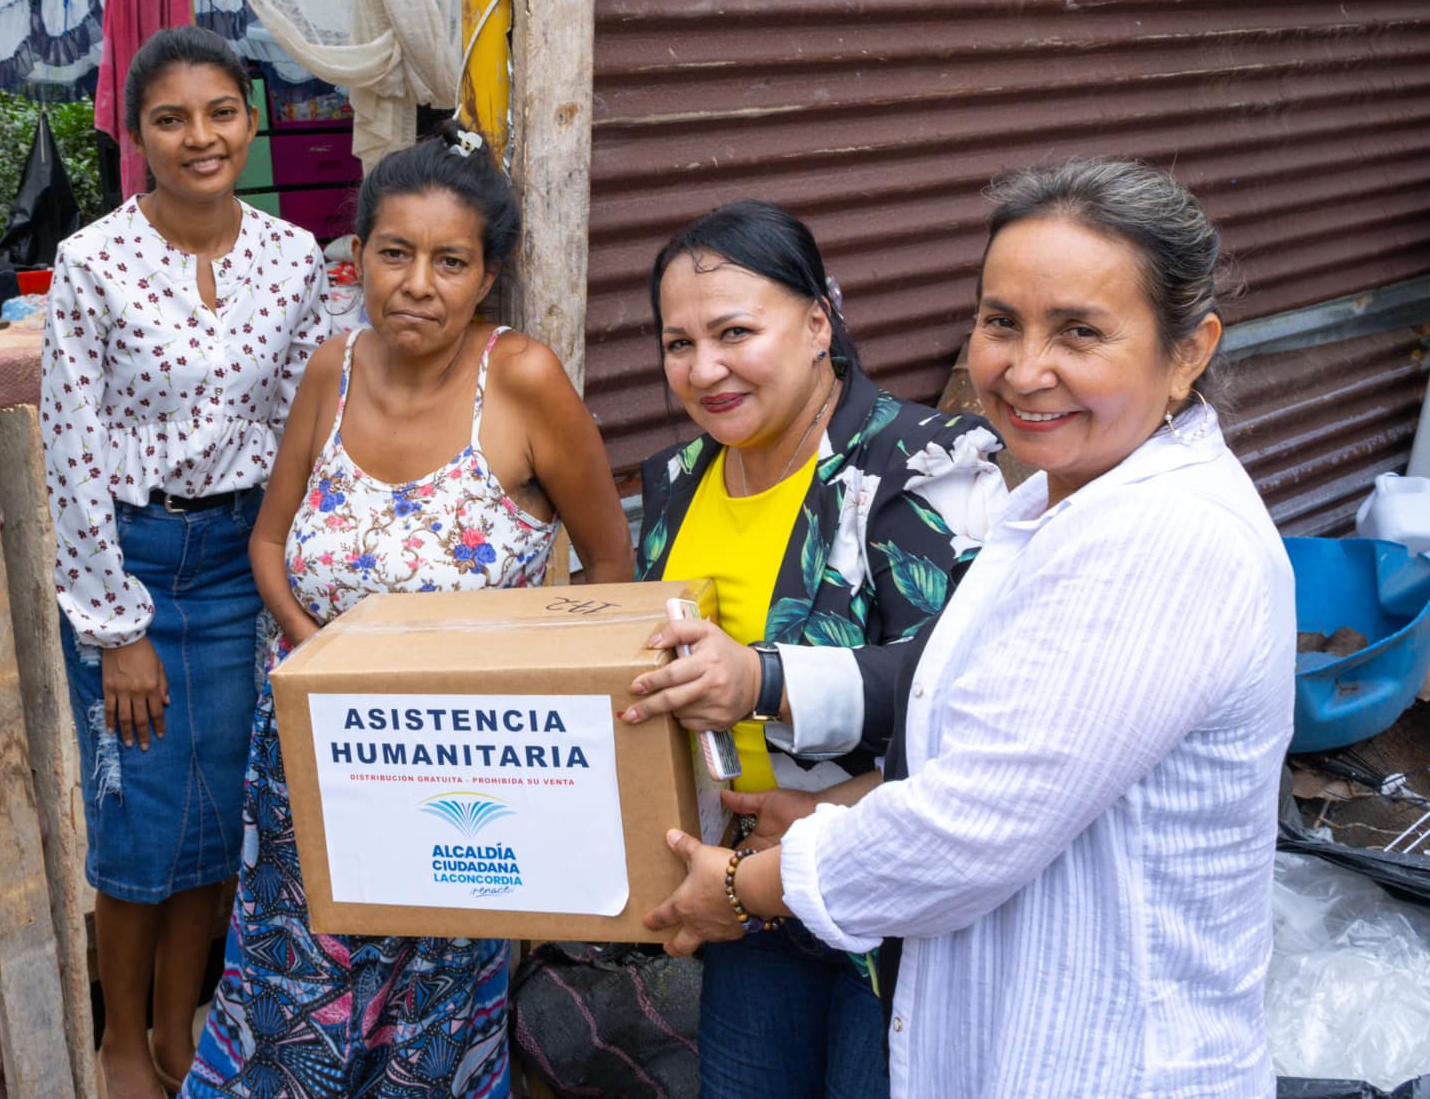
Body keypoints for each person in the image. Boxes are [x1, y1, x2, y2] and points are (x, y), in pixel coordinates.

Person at [653, 160, 1296, 1099]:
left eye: (1079, 331)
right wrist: (836, 816)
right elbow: (978, 739)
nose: (1024, 370)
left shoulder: (1164, 538)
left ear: (1189, 351)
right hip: (984, 995)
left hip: (1106, 1061)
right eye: (1001, 322)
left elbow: (970, 825)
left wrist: (744, 887)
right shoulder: (1051, 503)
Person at [183, 122, 635, 1098]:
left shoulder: (522, 382)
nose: (417, 284)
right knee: (289, 1005)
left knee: (431, 1023)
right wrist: (316, 654)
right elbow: (267, 542)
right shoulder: (331, 370)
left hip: (462, 779)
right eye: (394, 253)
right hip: (309, 763)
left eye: (449, 261)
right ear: (356, 257)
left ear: (487, 276)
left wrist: (552, 720)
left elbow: (608, 568)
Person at [616, 200, 1005, 1099]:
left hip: (893, 894)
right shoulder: (676, 482)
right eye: (678, 344)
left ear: (818, 323)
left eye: (735, 333)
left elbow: (966, 689)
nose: (704, 370)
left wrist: (765, 686)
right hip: (744, 891)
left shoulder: (922, 464)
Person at [40, 25, 329, 1099]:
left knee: (223, 807)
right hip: (136, 560)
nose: (199, 137)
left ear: (248, 121)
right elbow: (70, 451)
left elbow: (304, 423)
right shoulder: (91, 264)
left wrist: (293, 570)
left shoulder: (293, 258)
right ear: (136, 136)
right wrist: (116, 627)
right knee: (139, 819)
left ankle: (179, 1028)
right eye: (170, 118)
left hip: (243, 558)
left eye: (219, 112)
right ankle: (121, 1039)